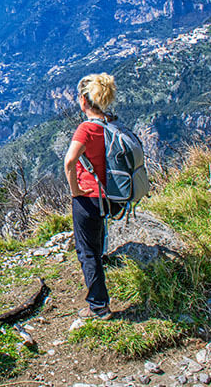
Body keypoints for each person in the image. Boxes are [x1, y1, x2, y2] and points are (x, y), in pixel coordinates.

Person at [63, 73, 116, 320]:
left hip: (89, 197)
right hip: (110, 196)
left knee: (87, 252)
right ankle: (100, 290)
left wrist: (75, 190)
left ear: (84, 100)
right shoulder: (111, 124)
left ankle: (98, 306)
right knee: (97, 243)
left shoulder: (86, 128)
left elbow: (69, 161)